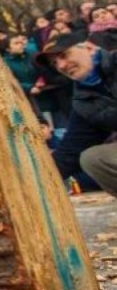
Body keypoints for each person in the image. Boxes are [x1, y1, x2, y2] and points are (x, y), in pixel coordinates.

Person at [36, 33, 117, 196]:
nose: (61, 65)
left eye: (64, 55)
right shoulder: (83, 102)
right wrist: (34, 181)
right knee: (93, 159)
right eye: (55, 63)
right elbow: (69, 153)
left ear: (89, 48)